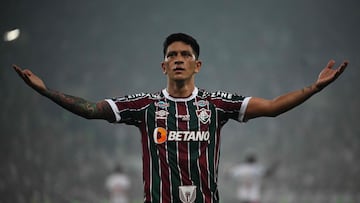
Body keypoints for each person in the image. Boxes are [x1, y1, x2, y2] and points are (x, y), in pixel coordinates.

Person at [13, 33, 348, 203]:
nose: (178, 59)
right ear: (163, 66)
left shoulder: (216, 104)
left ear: (196, 65)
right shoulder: (143, 105)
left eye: (185, 55)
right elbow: (91, 110)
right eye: (171, 55)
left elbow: (273, 106)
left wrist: (314, 88)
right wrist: (46, 92)